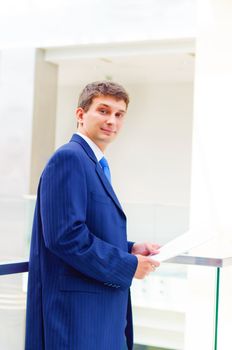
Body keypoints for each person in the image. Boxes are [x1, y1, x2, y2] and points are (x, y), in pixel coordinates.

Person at [25, 81, 160, 350]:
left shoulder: (92, 163)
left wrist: (130, 248)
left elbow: (88, 229)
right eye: (103, 110)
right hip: (76, 318)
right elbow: (65, 237)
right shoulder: (69, 158)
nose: (112, 120)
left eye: (119, 114)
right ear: (80, 114)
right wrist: (129, 265)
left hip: (99, 314)